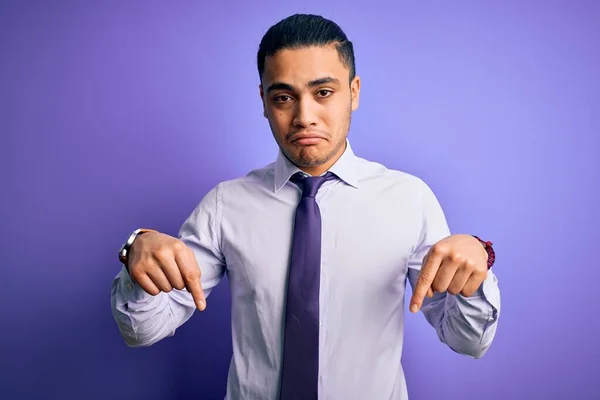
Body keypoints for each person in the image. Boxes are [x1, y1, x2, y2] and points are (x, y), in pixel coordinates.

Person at [110, 13, 501, 400]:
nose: (304, 117)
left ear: (355, 91)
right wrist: (135, 255)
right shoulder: (225, 205)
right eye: (283, 97)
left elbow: (467, 341)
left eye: (323, 92)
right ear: (263, 101)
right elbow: (143, 329)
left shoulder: (409, 199)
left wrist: (476, 273)